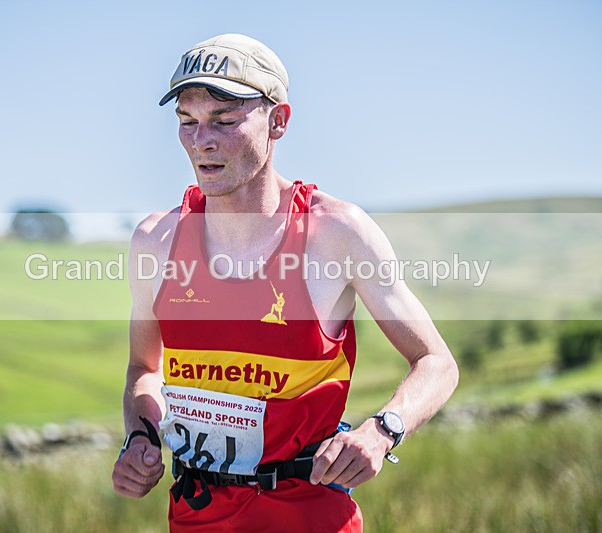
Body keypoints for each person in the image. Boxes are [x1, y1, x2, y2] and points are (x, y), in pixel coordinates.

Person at [112, 33, 459, 532]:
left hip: (312, 517)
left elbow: (437, 362)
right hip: (195, 517)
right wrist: (140, 437)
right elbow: (143, 368)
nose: (201, 140)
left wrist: (382, 431)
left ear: (279, 121)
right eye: (187, 121)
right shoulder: (155, 241)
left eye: (224, 120)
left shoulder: (336, 233)